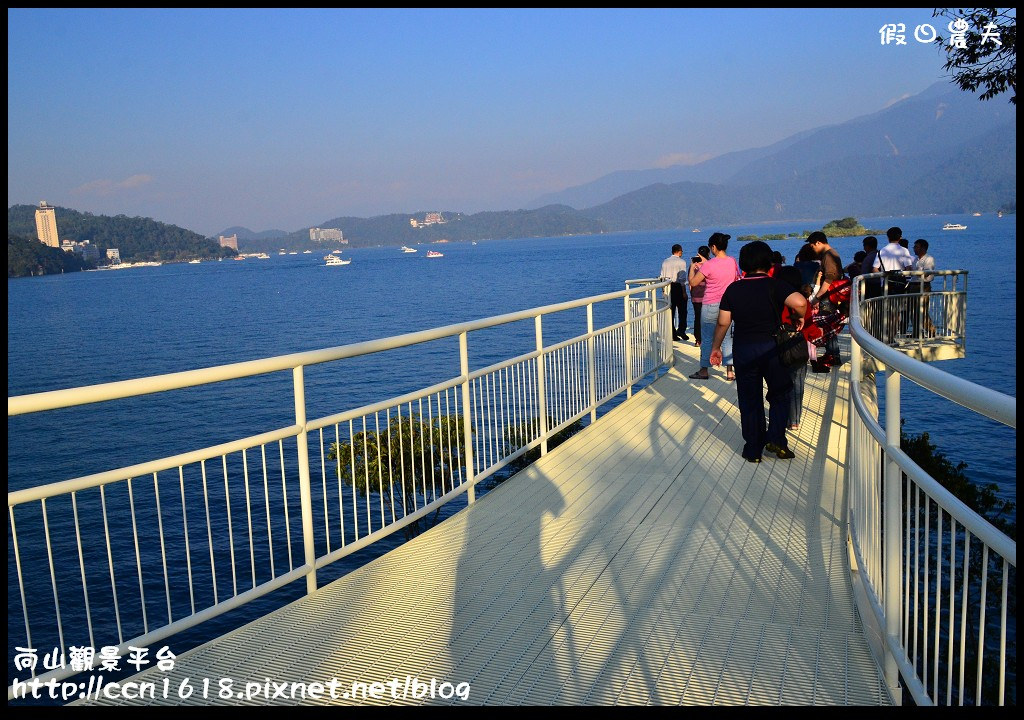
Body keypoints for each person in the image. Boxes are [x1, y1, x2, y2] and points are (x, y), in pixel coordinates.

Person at [709, 241, 807, 462]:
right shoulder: (775, 285)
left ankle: (753, 449)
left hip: (744, 349)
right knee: (780, 394)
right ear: (768, 262)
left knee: (750, 399)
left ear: (743, 264)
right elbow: (800, 301)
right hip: (772, 349)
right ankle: (776, 440)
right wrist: (798, 315)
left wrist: (716, 347)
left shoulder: (733, 289)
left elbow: (724, 322)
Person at [776, 265, 822, 431]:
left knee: (779, 384)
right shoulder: (801, 301)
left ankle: (780, 415)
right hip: (796, 347)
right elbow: (810, 328)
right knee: (797, 383)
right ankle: (794, 420)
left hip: (776, 346)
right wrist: (818, 333)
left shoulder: (774, 299)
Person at [688, 232, 740, 380]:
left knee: (707, 338)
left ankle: (704, 370)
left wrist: (693, 267)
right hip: (728, 306)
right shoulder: (732, 261)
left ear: (713, 247)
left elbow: (693, 283)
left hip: (710, 304)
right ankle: (730, 371)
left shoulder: (709, 265)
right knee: (728, 338)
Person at [806, 231, 844, 364]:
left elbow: (829, 278)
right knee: (829, 324)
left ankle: (833, 355)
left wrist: (818, 297)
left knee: (829, 325)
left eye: (812, 246)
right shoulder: (831, 254)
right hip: (830, 295)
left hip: (828, 296)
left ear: (818, 243)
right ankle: (831, 354)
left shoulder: (829, 256)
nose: (813, 249)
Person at [878, 226, 914, 341]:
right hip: (899, 285)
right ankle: (891, 337)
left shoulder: (882, 251)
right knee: (896, 313)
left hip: (885, 284)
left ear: (888, 237)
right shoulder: (903, 250)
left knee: (886, 312)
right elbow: (909, 268)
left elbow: (875, 269)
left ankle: (884, 335)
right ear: (900, 237)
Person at [907, 238, 936, 338]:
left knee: (922, 311)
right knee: (912, 311)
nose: (914, 249)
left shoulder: (928, 259)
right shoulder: (916, 260)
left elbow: (927, 273)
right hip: (913, 285)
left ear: (923, 248)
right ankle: (916, 332)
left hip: (923, 286)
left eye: (916, 247)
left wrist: (915, 272)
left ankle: (931, 332)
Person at [659, 243, 689, 342]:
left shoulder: (665, 262)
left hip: (668, 287)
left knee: (671, 311)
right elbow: (682, 279)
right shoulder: (682, 262)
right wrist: (684, 292)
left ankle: (672, 333)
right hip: (678, 287)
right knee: (682, 310)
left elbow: (662, 277)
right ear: (679, 251)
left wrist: (663, 290)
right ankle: (681, 330)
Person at [688, 245, 710, 347]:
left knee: (697, 318)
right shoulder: (709, 264)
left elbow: (690, 282)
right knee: (708, 318)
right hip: (708, 296)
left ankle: (698, 340)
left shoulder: (694, 266)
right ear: (708, 254)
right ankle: (707, 339)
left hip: (696, 296)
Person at [860, 235, 883, 300]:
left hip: (872, 286)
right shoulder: (881, 255)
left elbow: (863, 274)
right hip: (882, 284)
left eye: (864, 246)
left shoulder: (868, 258)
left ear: (867, 246)